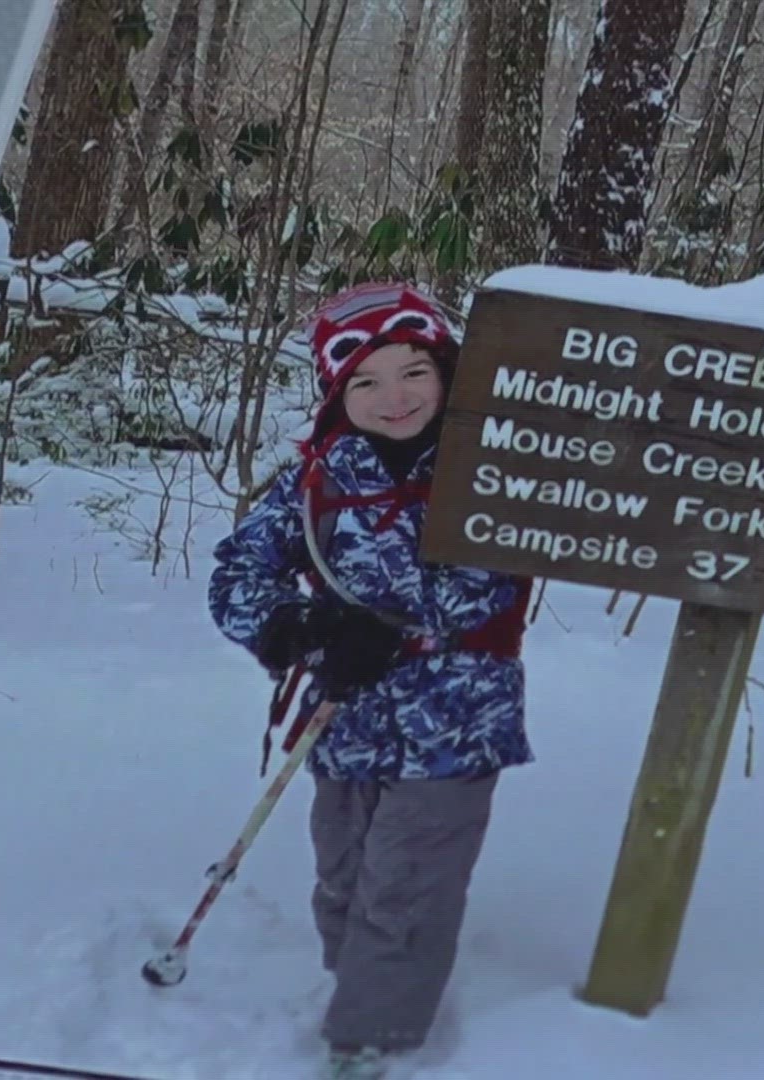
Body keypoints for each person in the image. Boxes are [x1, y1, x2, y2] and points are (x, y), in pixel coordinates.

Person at [207, 282, 532, 1080]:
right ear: (337, 392)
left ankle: (371, 1044)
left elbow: (486, 583)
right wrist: (294, 625)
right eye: (365, 380)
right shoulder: (318, 478)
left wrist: (380, 628)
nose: (393, 397)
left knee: (404, 892)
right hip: (343, 723)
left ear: (448, 372)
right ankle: (362, 990)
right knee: (344, 881)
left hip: (453, 725)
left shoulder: (488, 468)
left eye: (414, 370)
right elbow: (240, 571)